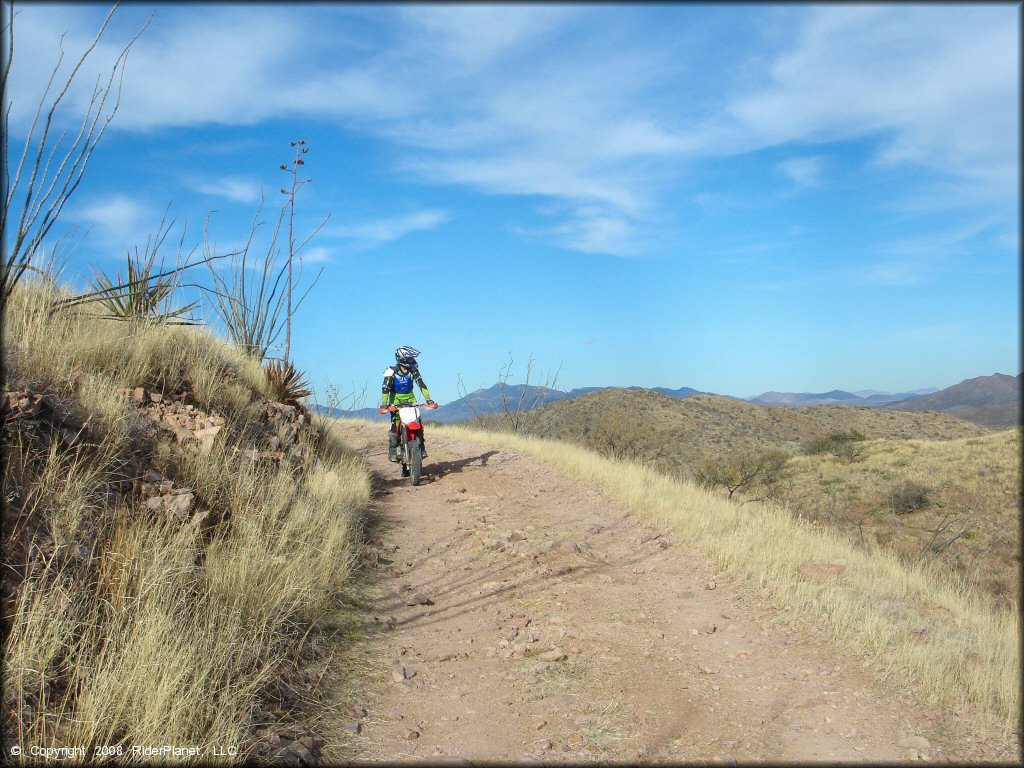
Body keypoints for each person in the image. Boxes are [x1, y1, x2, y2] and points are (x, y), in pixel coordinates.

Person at [378, 346, 437, 462]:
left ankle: (422, 448)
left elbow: (421, 385)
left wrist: (429, 399)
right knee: (395, 425)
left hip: (411, 400)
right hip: (395, 402)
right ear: (402, 359)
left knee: (417, 421)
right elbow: (385, 389)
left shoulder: (413, 371)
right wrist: (384, 404)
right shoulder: (391, 372)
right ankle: (393, 450)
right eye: (409, 359)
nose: (412, 361)